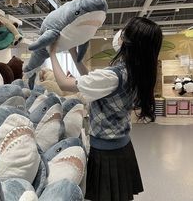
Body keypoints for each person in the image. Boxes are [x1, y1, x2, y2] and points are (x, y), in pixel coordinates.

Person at [49, 17, 163, 201]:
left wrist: (52, 52)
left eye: (125, 30)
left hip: (106, 153)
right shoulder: (136, 71)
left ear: (128, 41)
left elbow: (64, 84)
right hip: (122, 146)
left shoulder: (114, 75)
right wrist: (73, 54)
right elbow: (93, 82)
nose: (120, 33)